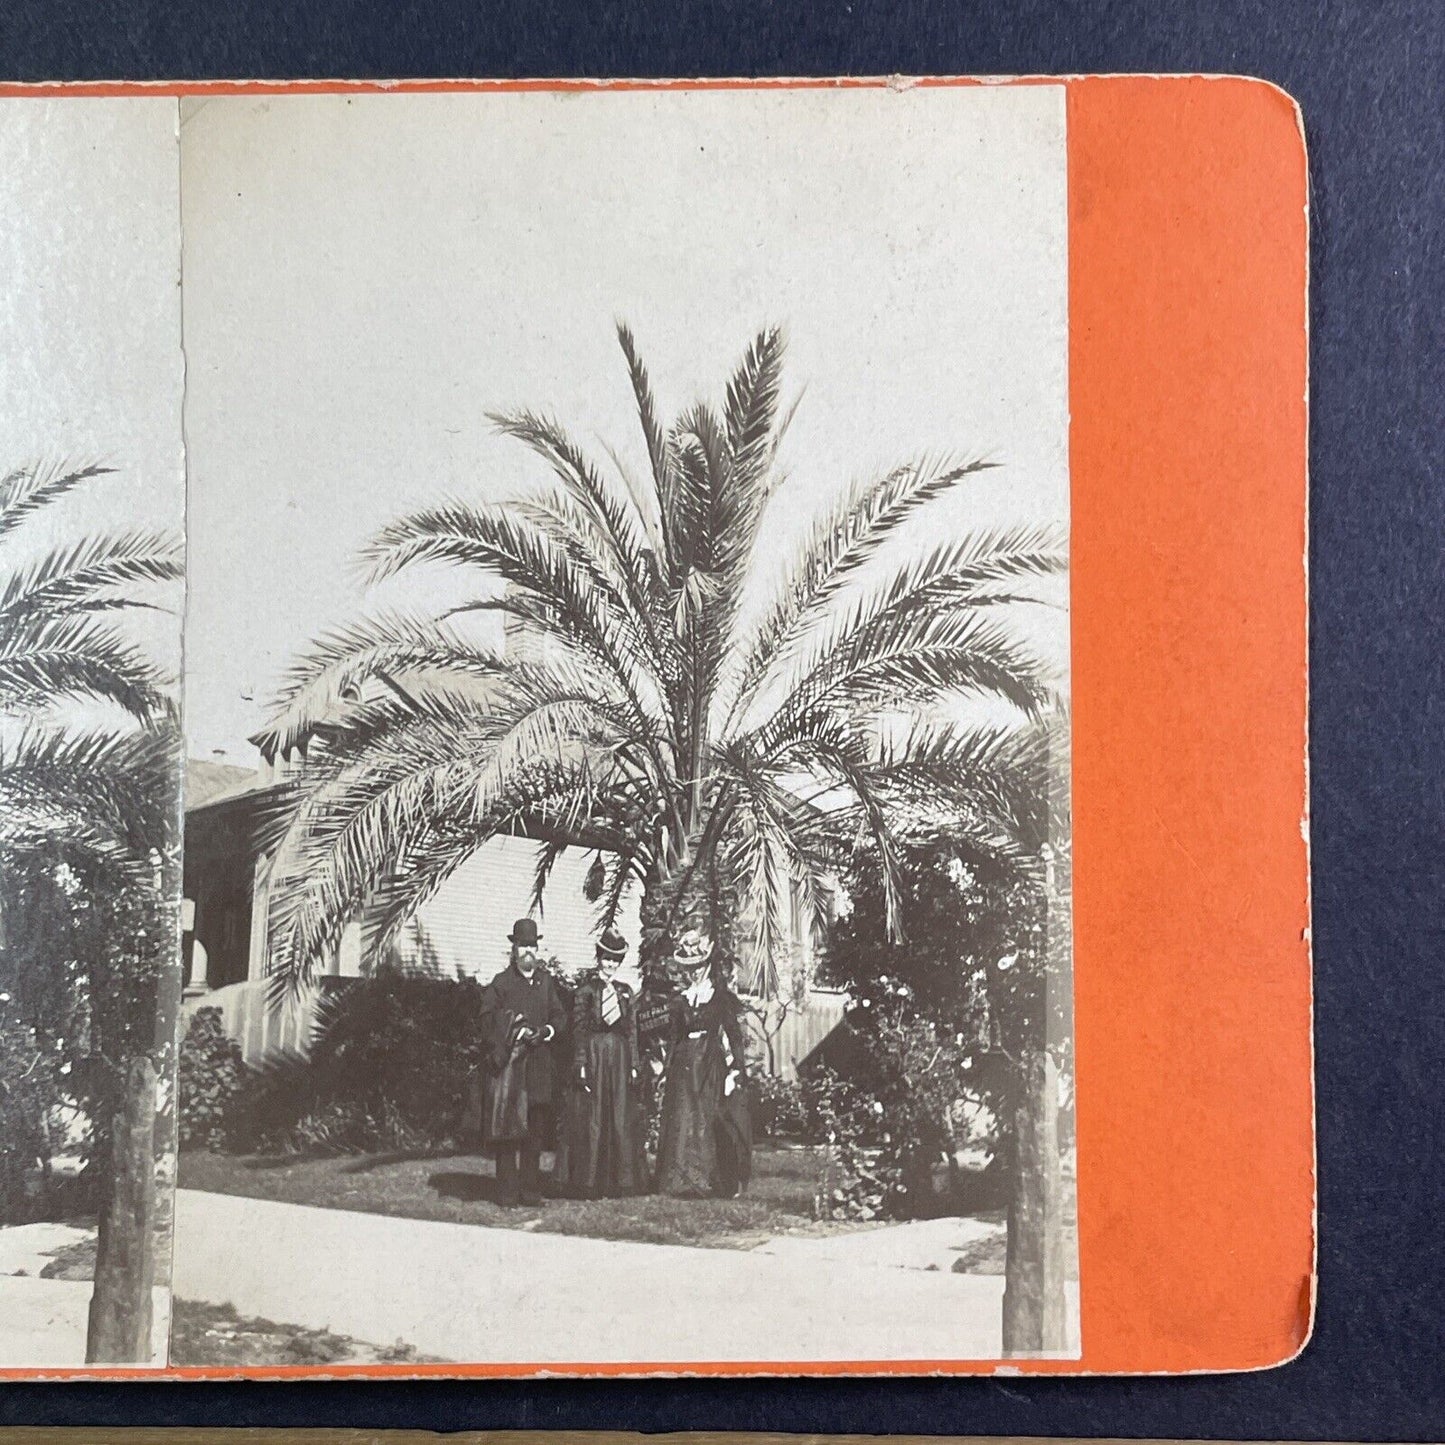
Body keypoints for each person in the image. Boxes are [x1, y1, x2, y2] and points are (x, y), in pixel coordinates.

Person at [655, 927, 752, 1199]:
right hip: (684, 1065)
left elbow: (734, 1035)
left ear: (707, 964)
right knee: (683, 1117)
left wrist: (736, 1070)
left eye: (698, 965)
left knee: (709, 1117)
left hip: (710, 1063)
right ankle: (681, 1180)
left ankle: (710, 1180)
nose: (694, 971)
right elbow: (674, 1039)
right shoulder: (680, 1000)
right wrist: (665, 1070)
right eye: (690, 966)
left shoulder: (720, 997)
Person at [478, 918, 567, 1206]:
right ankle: (506, 1193)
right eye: (522, 945)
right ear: (513, 948)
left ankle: (529, 1191)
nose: (527, 950)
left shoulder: (546, 982)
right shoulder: (501, 984)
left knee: (535, 1133)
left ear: (537, 948)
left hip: (539, 1066)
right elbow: (486, 1020)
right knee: (508, 1134)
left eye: (532, 945)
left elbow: (560, 1017)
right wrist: (511, 1034)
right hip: (511, 1070)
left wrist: (545, 1032)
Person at [556, 927, 649, 1198]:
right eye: (606, 958)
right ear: (599, 958)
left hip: (618, 1059)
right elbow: (579, 1030)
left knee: (619, 1114)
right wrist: (581, 1063)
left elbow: (632, 1030)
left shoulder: (625, 992)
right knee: (593, 1116)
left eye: (615, 960)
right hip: (595, 1056)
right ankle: (588, 1180)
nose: (610, 965)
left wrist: (633, 1063)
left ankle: (620, 1179)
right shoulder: (586, 991)